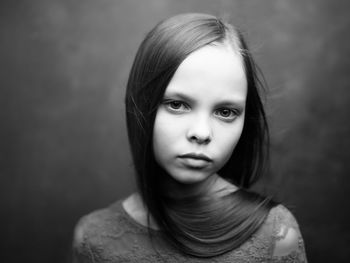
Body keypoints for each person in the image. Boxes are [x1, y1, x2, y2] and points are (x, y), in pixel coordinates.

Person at [72, 13, 308, 262]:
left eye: (225, 112)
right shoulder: (93, 239)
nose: (202, 133)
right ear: (142, 104)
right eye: (177, 105)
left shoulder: (277, 233)